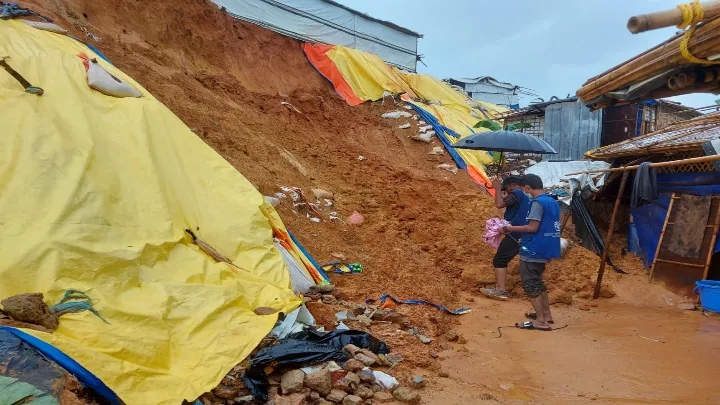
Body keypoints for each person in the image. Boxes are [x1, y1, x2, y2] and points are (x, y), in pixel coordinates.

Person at [500, 174, 561, 331]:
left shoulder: (537, 203)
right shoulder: (551, 201)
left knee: (530, 283)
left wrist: (508, 228)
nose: (523, 191)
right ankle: (546, 315)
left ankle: (540, 321)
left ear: (527, 188)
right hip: (547, 247)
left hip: (534, 249)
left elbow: (532, 227)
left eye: (523, 189)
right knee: (538, 281)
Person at [480, 176, 529, 300]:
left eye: (507, 190)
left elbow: (499, 204)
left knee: (500, 259)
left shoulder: (517, 192)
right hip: (524, 233)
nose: (507, 193)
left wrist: (497, 188)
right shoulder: (527, 198)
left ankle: (501, 290)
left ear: (514, 184)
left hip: (516, 234)